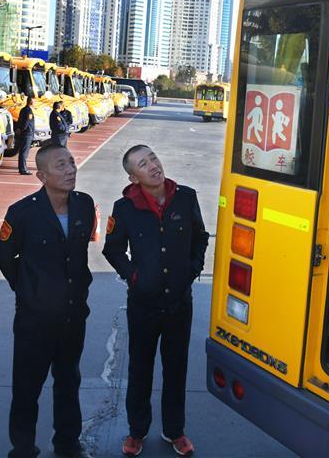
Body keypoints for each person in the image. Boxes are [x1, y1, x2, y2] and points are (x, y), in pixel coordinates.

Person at [103, 145, 209, 457]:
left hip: (179, 303)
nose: (152, 166)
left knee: (176, 368)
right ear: (133, 176)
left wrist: (192, 269)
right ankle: (137, 431)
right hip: (144, 305)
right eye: (142, 164)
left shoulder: (185, 197)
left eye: (152, 158)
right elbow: (112, 249)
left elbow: (200, 237)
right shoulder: (124, 208)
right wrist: (133, 276)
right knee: (140, 368)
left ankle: (174, 431)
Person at [0, 144, 96, 458]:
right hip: (34, 320)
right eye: (60, 165)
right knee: (27, 388)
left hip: (72, 315)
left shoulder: (84, 205)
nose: (70, 170)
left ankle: (67, 444)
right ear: (41, 175)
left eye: (71, 162)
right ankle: (23, 448)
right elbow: (4, 255)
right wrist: (28, 290)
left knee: (69, 382)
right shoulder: (22, 213)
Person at [16, 95, 37, 175]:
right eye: (34, 101)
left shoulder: (23, 109)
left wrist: (19, 129)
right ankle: (23, 169)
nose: (35, 103)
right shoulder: (29, 111)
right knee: (24, 152)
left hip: (24, 133)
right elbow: (26, 123)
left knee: (22, 151)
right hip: (27, 133)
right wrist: (22, 129)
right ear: (31, 102)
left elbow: (19, 120)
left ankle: (22, 168)